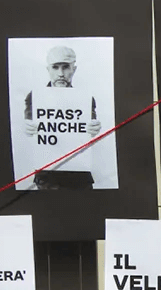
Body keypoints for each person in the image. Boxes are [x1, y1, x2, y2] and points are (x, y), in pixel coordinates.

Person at [23, 45, 102, 190]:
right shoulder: (35, 97)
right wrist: (27, 127)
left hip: (79, 175)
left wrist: (95, 128)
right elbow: (27, 125)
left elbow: (91, 128)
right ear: (48, 70)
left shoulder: (85, 99)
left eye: (65, 67)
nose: (61, 73)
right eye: (55, 67)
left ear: (74, 69)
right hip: (48, 177)